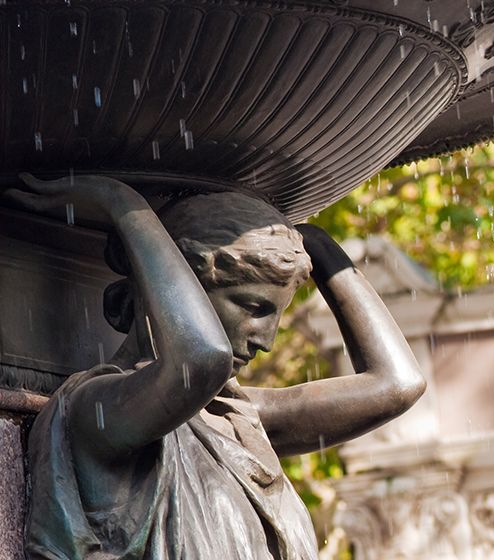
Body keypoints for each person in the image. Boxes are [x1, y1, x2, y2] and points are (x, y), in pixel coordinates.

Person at [5, 174, 426, 559]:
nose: (266, 341)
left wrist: (315, 243)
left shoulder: (238, 421)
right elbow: (200, 362)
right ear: (180, 291)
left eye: (277, 315)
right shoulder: (96, 410)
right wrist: (125, 207)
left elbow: (397, 384)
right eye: (254, 307)